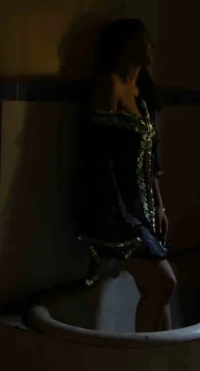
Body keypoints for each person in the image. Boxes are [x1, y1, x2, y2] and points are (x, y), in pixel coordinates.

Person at [75, 18, 176, 332]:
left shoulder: (142, 100)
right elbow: (97, 156)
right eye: (145, 37)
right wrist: (115, 213)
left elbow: (151, 161)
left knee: (159, 291)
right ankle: (142, 365)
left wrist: (159, 207)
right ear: (125, 44)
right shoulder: (109, 86)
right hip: (114, 210)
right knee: (164, 284)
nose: (152, 44)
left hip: (143, 210)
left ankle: (164, 362)